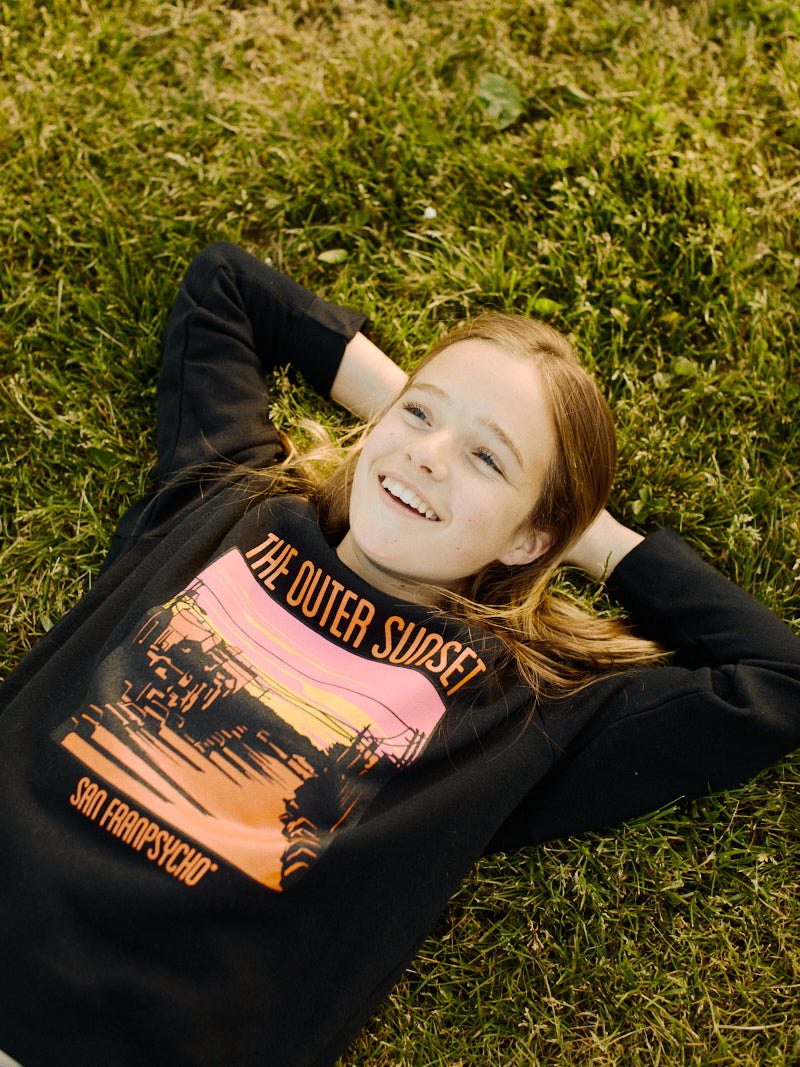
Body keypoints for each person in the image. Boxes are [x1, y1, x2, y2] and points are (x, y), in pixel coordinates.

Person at [1, 241, 798, 1067]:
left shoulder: (516, 710)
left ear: (532, 536)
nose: (428, 453)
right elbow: (225, 285)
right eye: (420, 413)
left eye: (488, 458)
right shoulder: (229, 497)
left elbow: (777, 680)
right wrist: (428, 421)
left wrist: (588, 539)